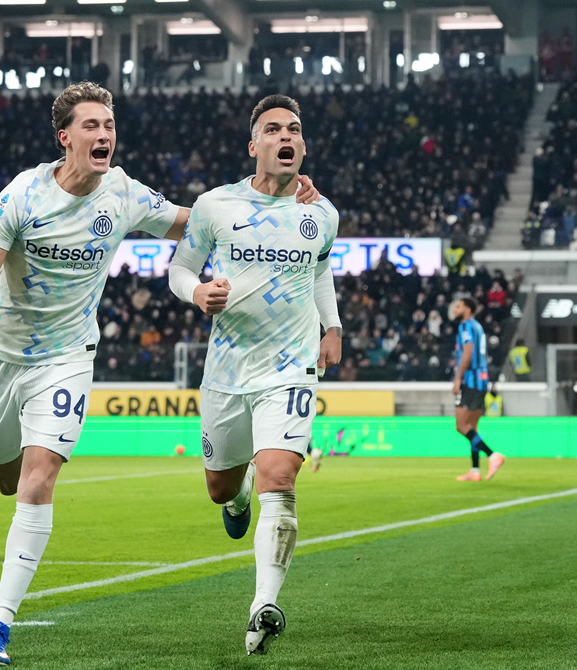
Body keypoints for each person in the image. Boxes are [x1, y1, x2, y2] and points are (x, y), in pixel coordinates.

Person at [0, 82, 320, 667]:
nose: (104, 135)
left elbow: (200, 222)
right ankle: (237, 489)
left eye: (110, 125)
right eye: (91, 126)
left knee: (39, 480)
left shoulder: (123, 193)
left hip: (67, 357)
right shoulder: (23, 194)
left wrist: (282, 199)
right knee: (4, 477)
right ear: (64, 137)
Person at [169, 94, 341, 655]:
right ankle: (237, 497)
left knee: (281, 478)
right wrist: (197, 292)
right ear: (253, 145)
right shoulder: (215, 206)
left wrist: (333, 327)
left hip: (291, 367)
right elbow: (180, 267)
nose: (286, 136)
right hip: (227, 368)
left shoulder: (321, 212)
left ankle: (264, 604)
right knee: (221, 488)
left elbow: (320, 270)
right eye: (273, 129)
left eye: (294, 129)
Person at [451, 297, 505, 482]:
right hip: (482, 379)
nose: (455, 309)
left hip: (471, 380)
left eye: (458, 306)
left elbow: (468, 352)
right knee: (472, 427)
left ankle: (492, 455)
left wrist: (458, 378)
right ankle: (475, 470)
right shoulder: (478, 326)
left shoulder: (465, 326)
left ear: (467, 309)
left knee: (461, 426)